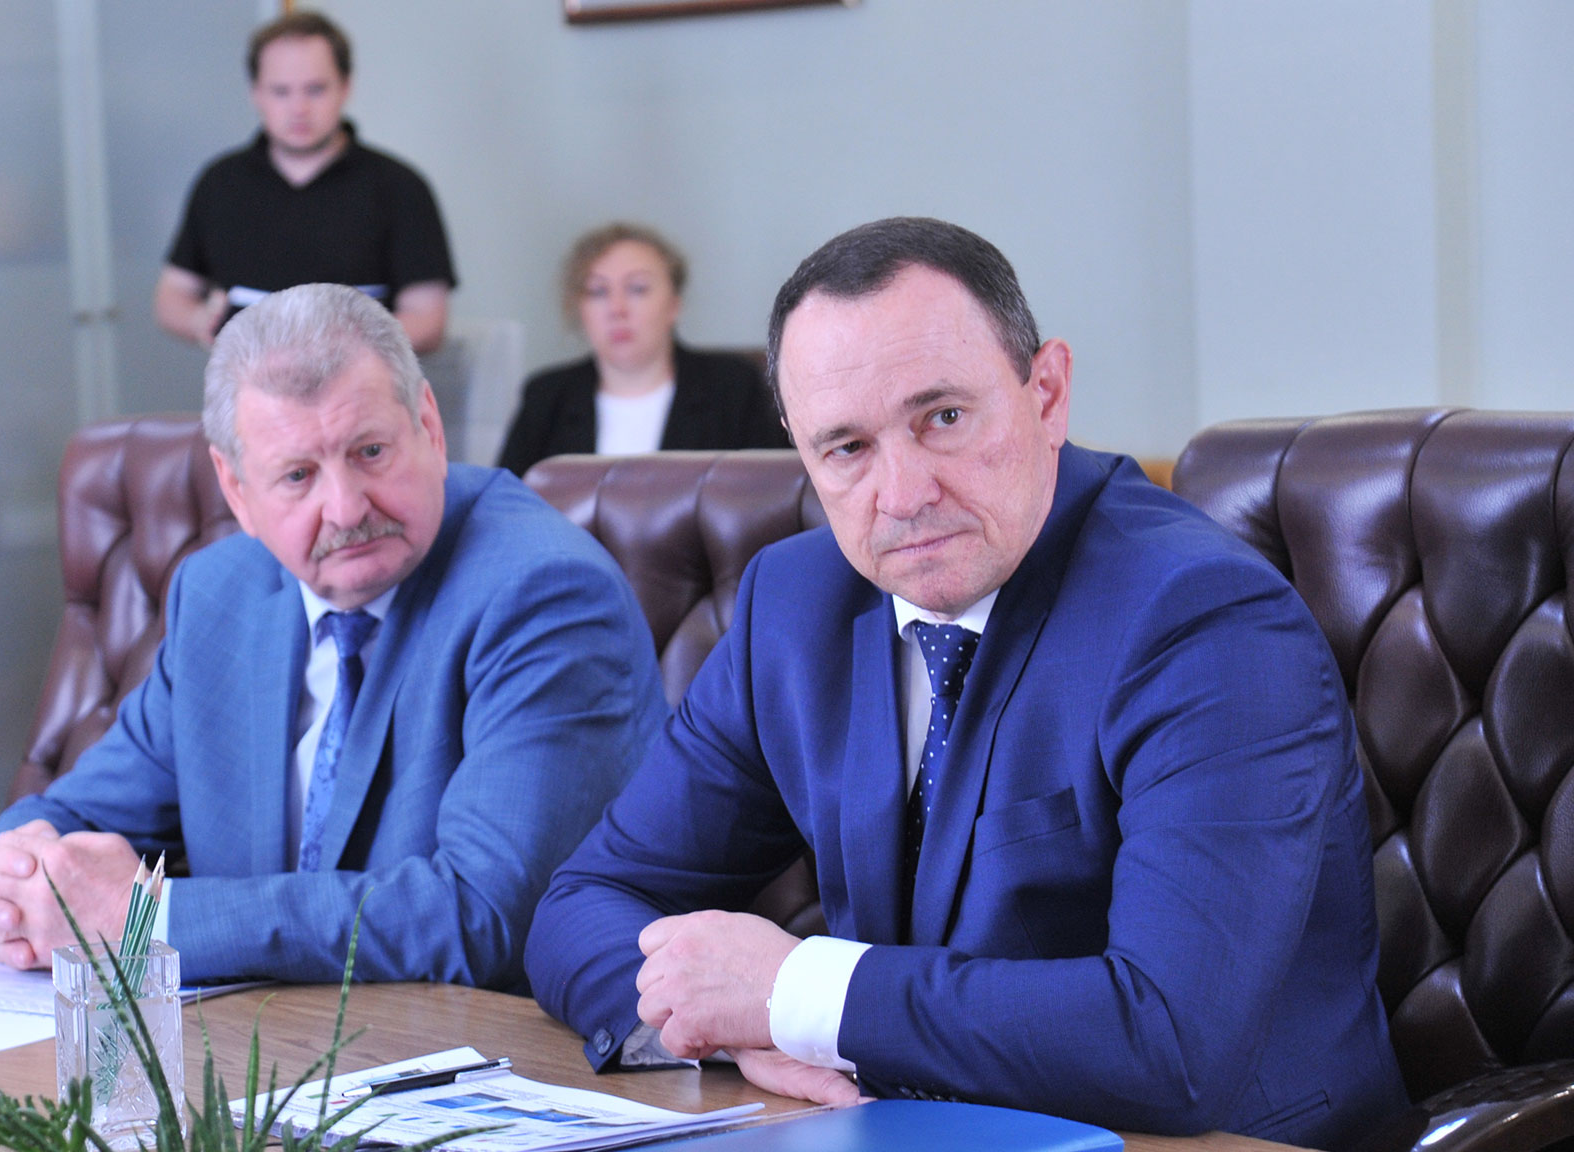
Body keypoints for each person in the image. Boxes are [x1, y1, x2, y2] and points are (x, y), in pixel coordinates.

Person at [524, 217, 1407, 1148]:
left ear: (1048, 394)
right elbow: (581, 908)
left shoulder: (1205, 620)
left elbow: (1169, 1045)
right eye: (846, 448)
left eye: (942, 418)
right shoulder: (794, 606)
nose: (904, 495)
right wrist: (739, 1030)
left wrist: (795, 994)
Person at [0, 283, 666, 990]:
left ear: (430, 429)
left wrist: (142, 920)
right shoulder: (221, 594)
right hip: (256, 1049)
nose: (346, 508)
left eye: (370, 452)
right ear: (236, 490)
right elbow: (81, 814)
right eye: (298, 476)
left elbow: (484, 915)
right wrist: (6, 889)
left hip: (484, 1057)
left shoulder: (544, 593)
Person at [154, 11, 455, 355]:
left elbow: (428, 318)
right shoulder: (220, 182)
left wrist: (340, 351)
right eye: (281, 91)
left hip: (360, 382)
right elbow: (172, 296)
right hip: (246, 383)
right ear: (255, 93)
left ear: (345, 87)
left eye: (315, 89)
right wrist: (198, 321)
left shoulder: (400, 187)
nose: (298, 108)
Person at [496, 223, 787, 478]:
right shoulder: (546, 397)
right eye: (598, 291)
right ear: (579, 309)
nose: (617, 309)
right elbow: (504, 507)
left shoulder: (734, 386)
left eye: (637, 288)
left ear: (674, 304)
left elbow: (768, 497)